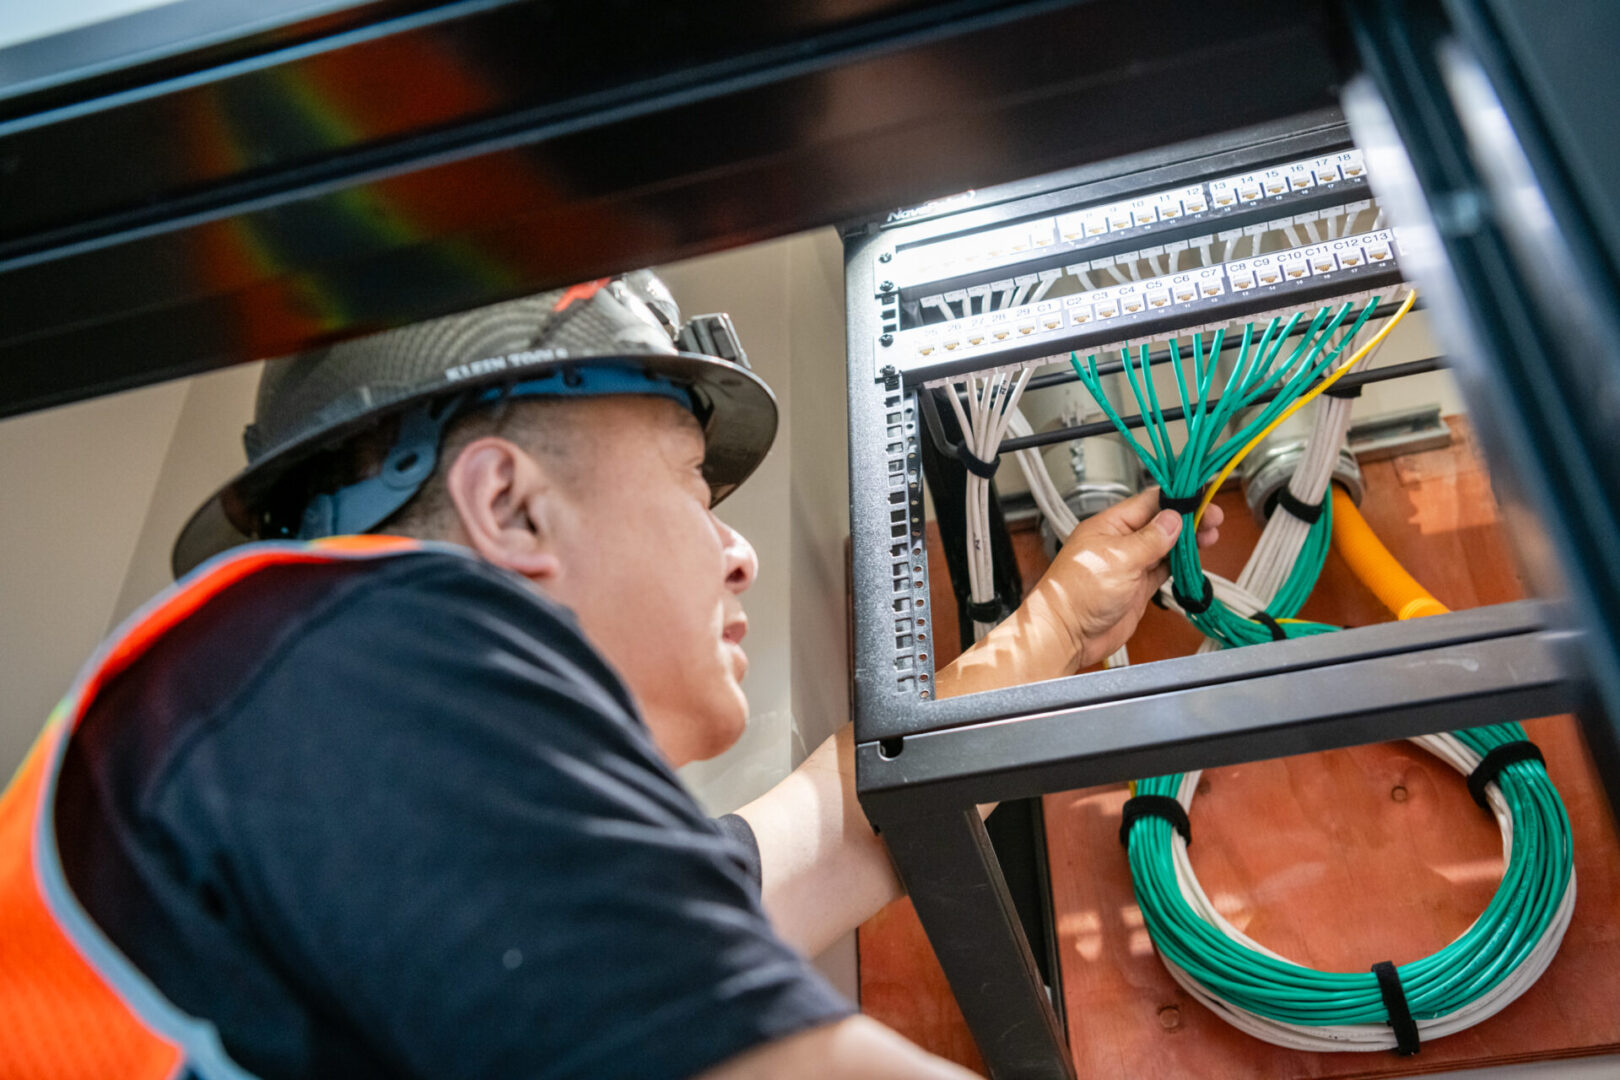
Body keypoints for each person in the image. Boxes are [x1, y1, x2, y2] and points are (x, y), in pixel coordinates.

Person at [0, 272, 1219, 1080]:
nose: (738, 551)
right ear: (510, 506)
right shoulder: (340, 652)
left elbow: (840, 827)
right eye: (695, 486)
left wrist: (1056, 622)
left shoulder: (372, 793)